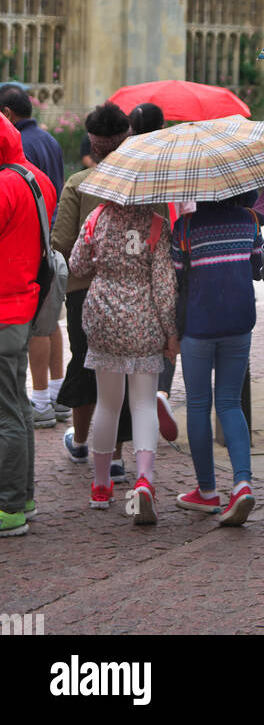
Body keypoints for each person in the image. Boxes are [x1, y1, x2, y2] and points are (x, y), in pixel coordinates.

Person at [68, 192, 178, 524]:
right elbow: (164, 286)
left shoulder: (97, 218)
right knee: (143, 403)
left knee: (107, 403)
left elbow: (76, 264)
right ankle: (145, 479)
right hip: (143, 319)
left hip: (104, 317)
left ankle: (101, 486)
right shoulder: (157, 224)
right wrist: (170, 330)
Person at [52, 102, 134, 481]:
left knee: (85, 362)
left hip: (84, 291)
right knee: (123, 369)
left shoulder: (78, 184)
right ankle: (116, 455)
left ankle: (82, 441)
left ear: (93, 142)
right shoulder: (144, 182)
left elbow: (61, 242)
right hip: (133, 291)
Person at [172, 190, 262, 526]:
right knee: (230, 403)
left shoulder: (184, 228)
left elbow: (177, 276)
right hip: (240, 322)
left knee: (198, 404)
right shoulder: (249, 221)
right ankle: (242, 483)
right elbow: (257, 268)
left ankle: (207, 491)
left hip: (198, 325)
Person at [0, 113, 57, 536]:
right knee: (17, 408)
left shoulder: (4, 185)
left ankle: (9, 508)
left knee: (7, 412)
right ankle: (25, 496)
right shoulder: (34, 178)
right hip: (23, 305)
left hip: (4, 309)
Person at [1, 85, 67, 431]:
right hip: (48, 240)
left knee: (38, 329)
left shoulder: (18, 153)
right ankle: (55, 395)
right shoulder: (49, 140)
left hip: (26, 249)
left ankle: (40, 399)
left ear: (8, 116)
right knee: (50, 323)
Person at [127, 102, 179, 445]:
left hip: (133, 254)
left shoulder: (125, 159)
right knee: (166, 327)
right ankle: (160, 393)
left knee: (135, 329)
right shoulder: (174, 158)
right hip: (168, 249)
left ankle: (138, 399)